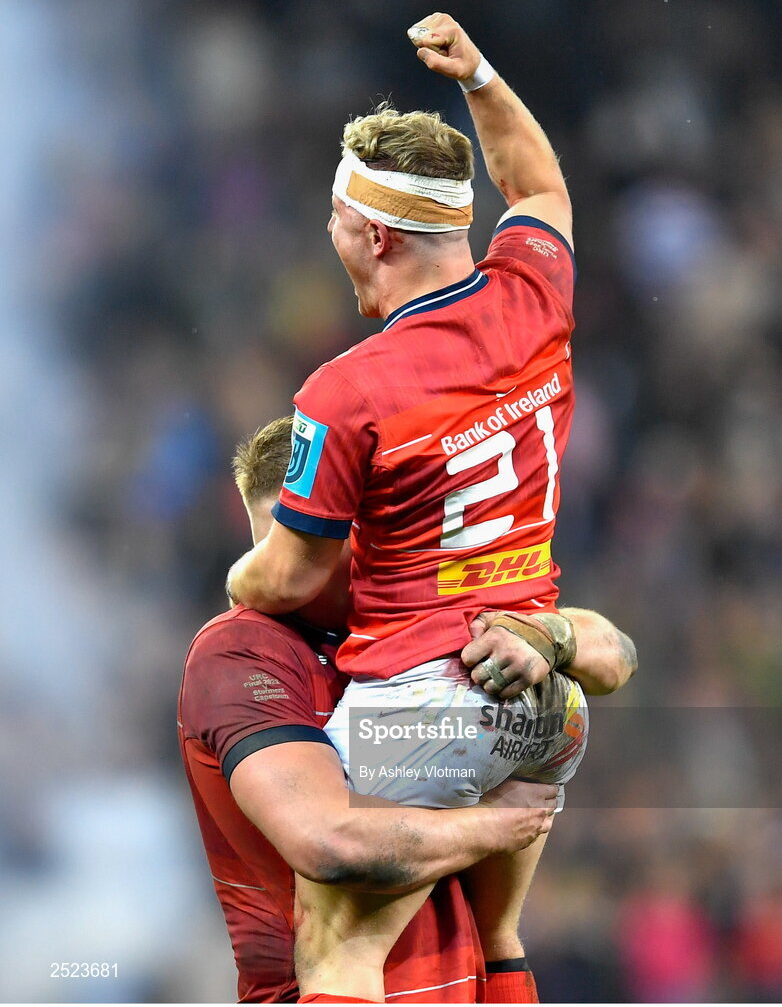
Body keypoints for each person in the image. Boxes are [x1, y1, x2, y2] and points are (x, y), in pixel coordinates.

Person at [225, 13, 623, 1001]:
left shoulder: (348, 391)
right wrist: (481, 74)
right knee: (495, 941)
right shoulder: (535, 291)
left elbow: (294, 574)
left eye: (334, 220)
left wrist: (235, 573)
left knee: (336, 949)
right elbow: (537, 186)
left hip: (426, 702)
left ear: (375, 233)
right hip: (541, 693)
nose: (330, 238)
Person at [181, 418, 636, 1003]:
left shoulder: (422, 609)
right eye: (272, 552)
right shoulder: (241, 652)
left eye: (309, 547)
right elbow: (327, 842)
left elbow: (616, 655)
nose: (290, 579)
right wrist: (496, 828)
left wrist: (550, 637)